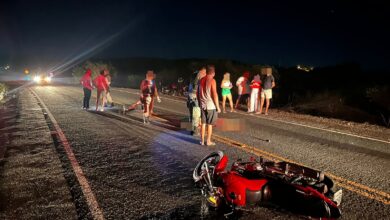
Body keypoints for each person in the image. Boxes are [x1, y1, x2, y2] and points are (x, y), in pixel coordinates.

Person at [198, 65, 221, 146]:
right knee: (210, 124)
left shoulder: (201, 80)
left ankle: (202, 141)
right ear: (213, 73)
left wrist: (199, 103)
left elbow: (198, 93)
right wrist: (218, 107)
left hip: (203, 104)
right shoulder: (212, 80)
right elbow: (215, 94)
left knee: (203, 123)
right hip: (210, 105)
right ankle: (208, 141)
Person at [187, 67, 206, 136]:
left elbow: (190, 84)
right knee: (196, 114)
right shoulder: (199, 74)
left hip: (190, 95)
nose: (205, 75)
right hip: (195, 96)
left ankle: (192, 129)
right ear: (202, 71)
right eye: (205, 73)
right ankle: (195, 131)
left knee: (191, 113)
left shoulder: (193, 74)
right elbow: (196, 86)